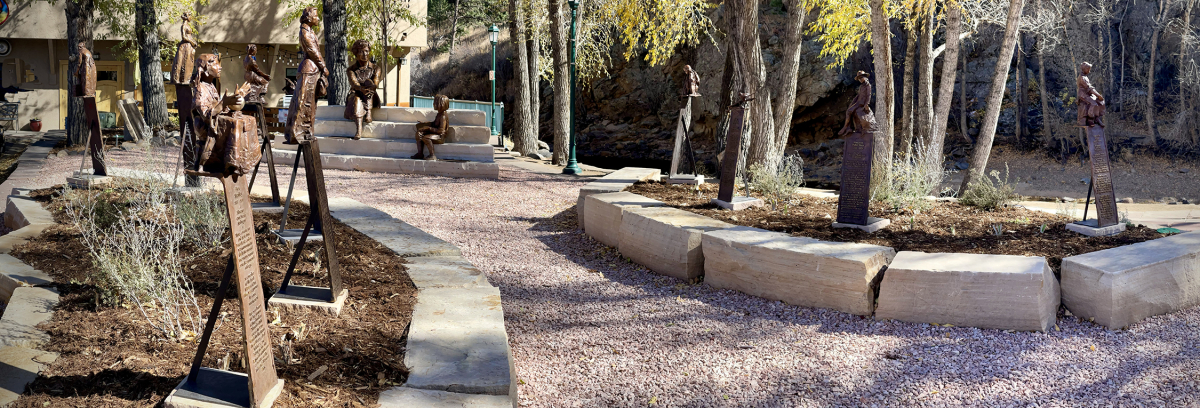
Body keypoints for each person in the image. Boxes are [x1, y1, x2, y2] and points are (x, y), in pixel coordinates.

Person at [192, 54, 260, 175]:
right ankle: (232, 161)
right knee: (235, 124)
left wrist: (235, 98)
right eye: (216, 64)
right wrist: (223, 103)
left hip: (216, 121)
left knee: (249, 120)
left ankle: (244, 159)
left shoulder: (211, 86)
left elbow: (220, 108)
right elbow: (207, 114)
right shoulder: (200, 88)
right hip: (206, 126)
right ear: (206, 68)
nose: (220, 67)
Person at [284, 7, 329, 144]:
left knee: (309, 103)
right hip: (308, 70)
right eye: (316, 16)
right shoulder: (305, 32)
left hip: (312, 69)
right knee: (304, 102)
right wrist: (323, 66)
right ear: (309, 18)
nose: (318, 18)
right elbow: (313, 51)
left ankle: (307, 130)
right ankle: (299, 132)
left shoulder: (309, 31)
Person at [344, 39, 382, 140]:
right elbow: (354, 83)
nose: (365, 54)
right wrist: (361, 89)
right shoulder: (351, 70)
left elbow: (376, 80)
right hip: (355, 93)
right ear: (356, 53)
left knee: (369, 83)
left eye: (366, 51)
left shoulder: (375, 68)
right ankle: (359, 130)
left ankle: (368, 112)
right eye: (361, 51)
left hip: (370, 93)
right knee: (356, 99)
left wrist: (372, 86)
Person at [412, 95, 449, 161]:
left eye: (435, 103)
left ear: (441, 104)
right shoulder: (439, 114)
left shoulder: (443, 116)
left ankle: (432, 155)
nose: (433, 104)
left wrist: (428, 128)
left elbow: (441, 131)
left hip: (440, 136)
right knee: (419, 133)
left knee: (425, 137)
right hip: (436, 132)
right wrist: (424, 123)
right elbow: (434, 123)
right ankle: (420, 154)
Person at [839, 71, 875, 135]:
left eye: (861, 77)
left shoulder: (868, 85)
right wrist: (852, 103)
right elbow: (858, 96)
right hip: (858, 103)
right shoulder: (861, 86)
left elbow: (869, 95)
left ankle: (846, 127)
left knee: (850, 111)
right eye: (859, 78)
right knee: (849, 111)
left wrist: (866, 104)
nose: (860, 79)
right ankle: (848, 127)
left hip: (862, 104)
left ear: (865, 77)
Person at [171, 13, 199, 85]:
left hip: (189, 46)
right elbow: (184, 37)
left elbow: (189, 36)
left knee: (188, 62)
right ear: (187, 17)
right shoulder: (183, 26)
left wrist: (193, 41)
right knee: (181, 62)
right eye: (190, 16)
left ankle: (187, 78)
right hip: (184, 46)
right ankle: (178, 79)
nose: (191, 18)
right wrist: (191, 42)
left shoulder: (188, 25)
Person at [1077, 62, 1106, 128]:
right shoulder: (1082, 78)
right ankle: (1090, 119)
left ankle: (1097, 118)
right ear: (1084, 69)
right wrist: (1098, 95)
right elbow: (1090, 88)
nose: (1089, 71)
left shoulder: (1085, 77)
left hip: (1088, 93)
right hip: (1083, 95)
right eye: (1088, 69)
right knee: (1093, 103)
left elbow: (1090, 89)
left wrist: (1099, 96)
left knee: (1100, 101)